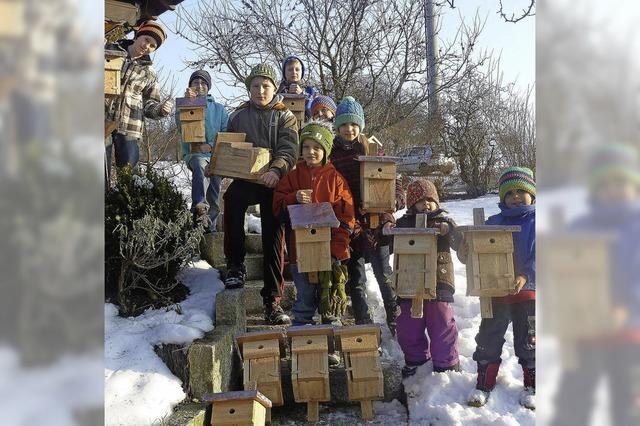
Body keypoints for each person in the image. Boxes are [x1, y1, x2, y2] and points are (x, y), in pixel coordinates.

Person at [550, 144, 640, 425]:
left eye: (620, 182)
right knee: (572, 400)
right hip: (585, 331)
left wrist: (625, 305)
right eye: (605, 183)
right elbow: (564, 275)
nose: (613, 189)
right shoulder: (581, 226)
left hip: (630, 333)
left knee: (628, 403)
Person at [223, 63, 299, 325]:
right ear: (249, 89)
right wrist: (219, 166)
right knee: (231, 199)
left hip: (275, 180)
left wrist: (276, 171)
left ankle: (272, 301)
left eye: (265, 85)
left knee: (273, 228)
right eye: (255, 86)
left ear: (274, 87)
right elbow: (229, 147)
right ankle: (235, 265)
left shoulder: (285, 116)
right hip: (248, 178)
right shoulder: (239, 115)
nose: (260, 90)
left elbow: (289, 150)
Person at [459, 167, 536, 409]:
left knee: (529, 339)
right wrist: (466, 251)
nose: (515, 197)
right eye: (509, 193)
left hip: (527, 292)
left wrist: (525, 275)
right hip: (496, 293)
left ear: (532, 195)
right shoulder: (492, 223)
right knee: (489, 337)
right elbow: (475, 254)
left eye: (520, 192)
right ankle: (484, 382)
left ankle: (533, 384)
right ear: (502, 197)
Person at [273, 121, 355, 332]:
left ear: (325, 151)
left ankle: (332, 344)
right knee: (305, 298)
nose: (311, 152)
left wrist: (337, 250)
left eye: (317, 148)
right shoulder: (292, 177)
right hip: (301, 252)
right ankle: (302, 340)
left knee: (331, 299)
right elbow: (277, 207)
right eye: (307, 147)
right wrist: (293, 197)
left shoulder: (336, 180)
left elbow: (346, 217)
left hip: (329, 253)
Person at [329, 96, 400, 327]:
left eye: (353, 124)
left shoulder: (373, 149)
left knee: (384, 273)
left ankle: (395, 317)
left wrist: (392, 203)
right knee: (356, 275)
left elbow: (392, 182)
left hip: (377, 222)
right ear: (337, 126)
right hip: (350, 223)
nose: (349, 129)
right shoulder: (332, 155)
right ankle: (363, 320)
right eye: (344, 124)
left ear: (360, 126)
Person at [392, 178, 462, 377]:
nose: (426, 204)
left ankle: (446, 364)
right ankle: (416, 360)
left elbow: (460, 243)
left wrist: (449, 232)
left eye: (430, 200)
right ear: (412, 204)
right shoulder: (403, 223)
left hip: (440, 282)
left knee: (442, 323)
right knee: (408, 326)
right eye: (421, 201)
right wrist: (388, 228)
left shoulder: (444, 222)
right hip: (408, 281)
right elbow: (388, 242)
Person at [105, 21, 173, 181]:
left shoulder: (149, 72)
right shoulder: (109, 51)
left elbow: (150, 103)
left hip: (129, 126)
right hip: (101, 120)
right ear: (137, 36)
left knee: (129, 176)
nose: (147, 46)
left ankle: (124, 205)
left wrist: (161, 109)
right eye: (146, 40)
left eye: (152, 46)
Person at [175, 70, 228, 232]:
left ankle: (208, 227)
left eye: (203, 83)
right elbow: (180, 125)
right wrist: (186, 102)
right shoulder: (187, 104)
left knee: (214, 189)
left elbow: (226, 132)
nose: (199, 86)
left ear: (208, 86)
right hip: (195, 154)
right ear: (190, 85)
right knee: (199, 166)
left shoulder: (219, 109)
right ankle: (199, 206)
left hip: (216, 155)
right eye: (195, 82)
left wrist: (211, 145)